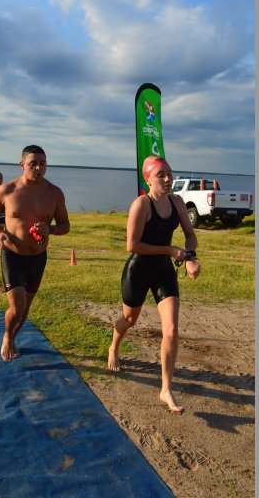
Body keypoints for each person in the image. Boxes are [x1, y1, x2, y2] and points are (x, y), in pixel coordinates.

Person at [108, 156, 201, 414]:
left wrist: (191, 258)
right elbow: (132, 245)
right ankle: (114, 346)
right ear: (147, 179)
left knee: (171, 331)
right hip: (138, 270)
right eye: (161, 174)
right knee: (129, 320)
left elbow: (190, 235)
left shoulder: (177, 202)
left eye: (170, 173)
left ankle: (166, 389)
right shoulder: (141, 205)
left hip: (163, 272)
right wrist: (170, 249)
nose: (168, 178)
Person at [0, 146, 70, 362]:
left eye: (43, 163)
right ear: (22, 165)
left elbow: (65, 225)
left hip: (38, 258)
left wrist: (49, 229)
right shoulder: (7, 190)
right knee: (17, 306)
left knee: (25, 310)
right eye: (33, 164)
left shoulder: (54, 193)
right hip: (12, 255)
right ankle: (7, 336)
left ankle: (12, 336)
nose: (38, 168)